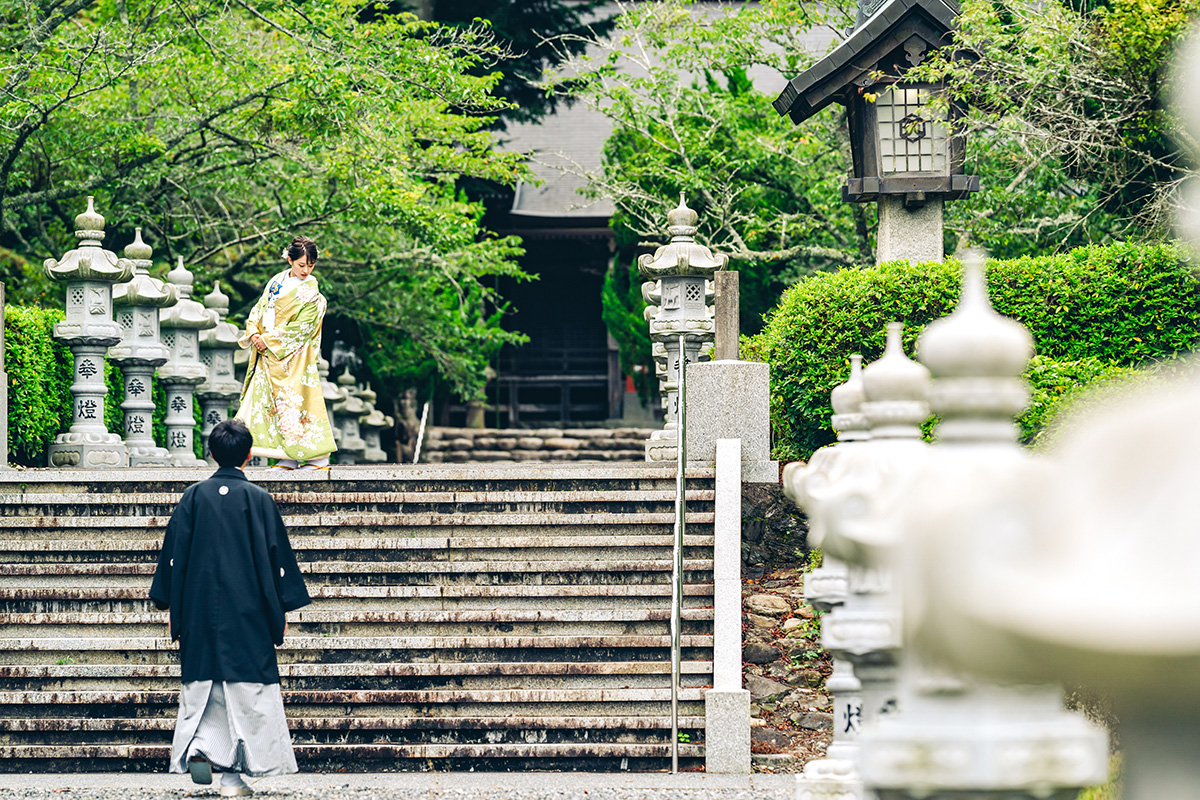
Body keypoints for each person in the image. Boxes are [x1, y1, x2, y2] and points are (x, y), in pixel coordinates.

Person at [149, 418, 311, 796]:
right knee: (247, 689)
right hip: (249, 610)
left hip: (198, 608)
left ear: (210, 453)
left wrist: (171, 605)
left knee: (206, 685)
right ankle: (234, 777)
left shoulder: (192, 497)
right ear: (250, 456)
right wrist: (281, 609)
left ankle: (203, 748)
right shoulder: (259, 500)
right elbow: (276, 562)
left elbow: (174, 557)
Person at [235, 235, 337, 470]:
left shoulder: (312, 294)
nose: (306, 270)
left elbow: (302, 329)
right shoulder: (275, 282)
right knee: (269, 406)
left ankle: (318, 458)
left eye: (311, 265)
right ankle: (286, 456)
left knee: (298, 405)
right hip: (269, 353)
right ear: (290, 259)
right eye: (302, 264)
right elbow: (259, 309)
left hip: (295, 357)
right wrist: (254, 334)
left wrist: (268, 341)